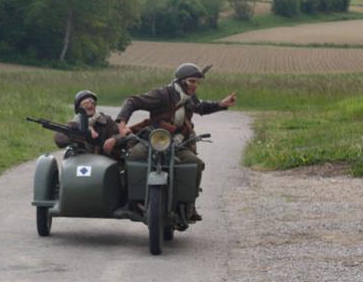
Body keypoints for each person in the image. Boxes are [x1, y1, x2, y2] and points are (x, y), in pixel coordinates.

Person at [114, 63, 237, 221]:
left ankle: (189, 204)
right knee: (133, 157)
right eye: (192, 81)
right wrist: (122, 124)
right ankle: (131, 201)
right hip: (155, 139)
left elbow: (199, 107)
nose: (195, 85)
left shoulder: (189, 98)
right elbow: (132, 101)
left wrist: (221, 104)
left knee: (196, 164)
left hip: (177, 142)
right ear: (181, 81)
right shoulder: (163, 94)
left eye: (197, 82)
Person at [54, 90, 120, 157]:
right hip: (80, 160)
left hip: (103, 161)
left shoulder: (106, 120)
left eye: (93, 103)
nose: (90, 105)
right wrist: (77, 133)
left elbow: (119, 135)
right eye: (86, 103)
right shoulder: (73, 123)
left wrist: (114, 139)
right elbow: (59, 139)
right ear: (79, 108)